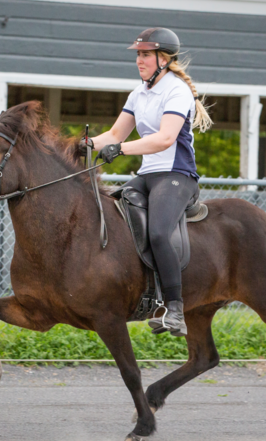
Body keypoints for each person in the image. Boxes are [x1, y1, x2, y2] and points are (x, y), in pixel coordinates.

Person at [86, 27, 213, 337]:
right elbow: (114, 134)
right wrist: (83, 145)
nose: (139, 60)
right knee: (111, 218)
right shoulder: (139, 92)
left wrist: (121, 149)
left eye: (145, 55)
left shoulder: (176, 90)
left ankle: (175, 309)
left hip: (177, 176)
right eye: (138, 55)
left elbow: (165, 138)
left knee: (157, 232)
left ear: (164, 59)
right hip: (147, 176)